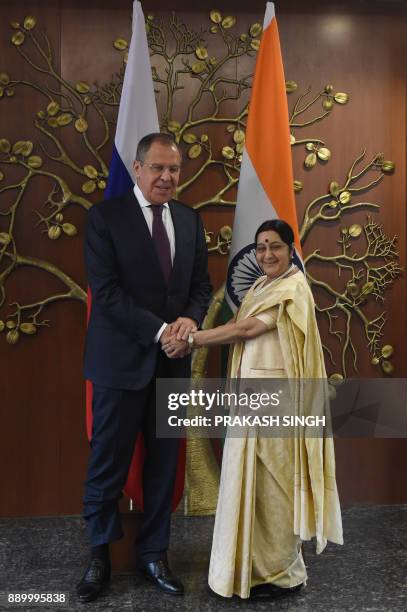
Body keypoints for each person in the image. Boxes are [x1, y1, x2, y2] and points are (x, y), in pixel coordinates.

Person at [163, 219, 343, 600]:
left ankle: (279, 573)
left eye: (275, 246)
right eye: (260, 247)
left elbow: (245, 330)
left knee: (274, 489)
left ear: (290, 249)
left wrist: (192, 339)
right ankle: (246, 571)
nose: (266, 254)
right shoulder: (263, 284)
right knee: (248, 485)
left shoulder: (293, 288)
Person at [77, 132, 212, 603]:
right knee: (106, 464)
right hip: (119, 363)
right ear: (136, 169)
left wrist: (191, 321)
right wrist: (162, 333)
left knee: (164, 466)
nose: (166, 177)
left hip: (173, 367)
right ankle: (99, 556)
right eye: (156, 168)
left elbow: (201, 287)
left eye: (173, 169)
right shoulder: (104, 218)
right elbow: (107, 294)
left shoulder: (190, 220)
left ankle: (154, 554)